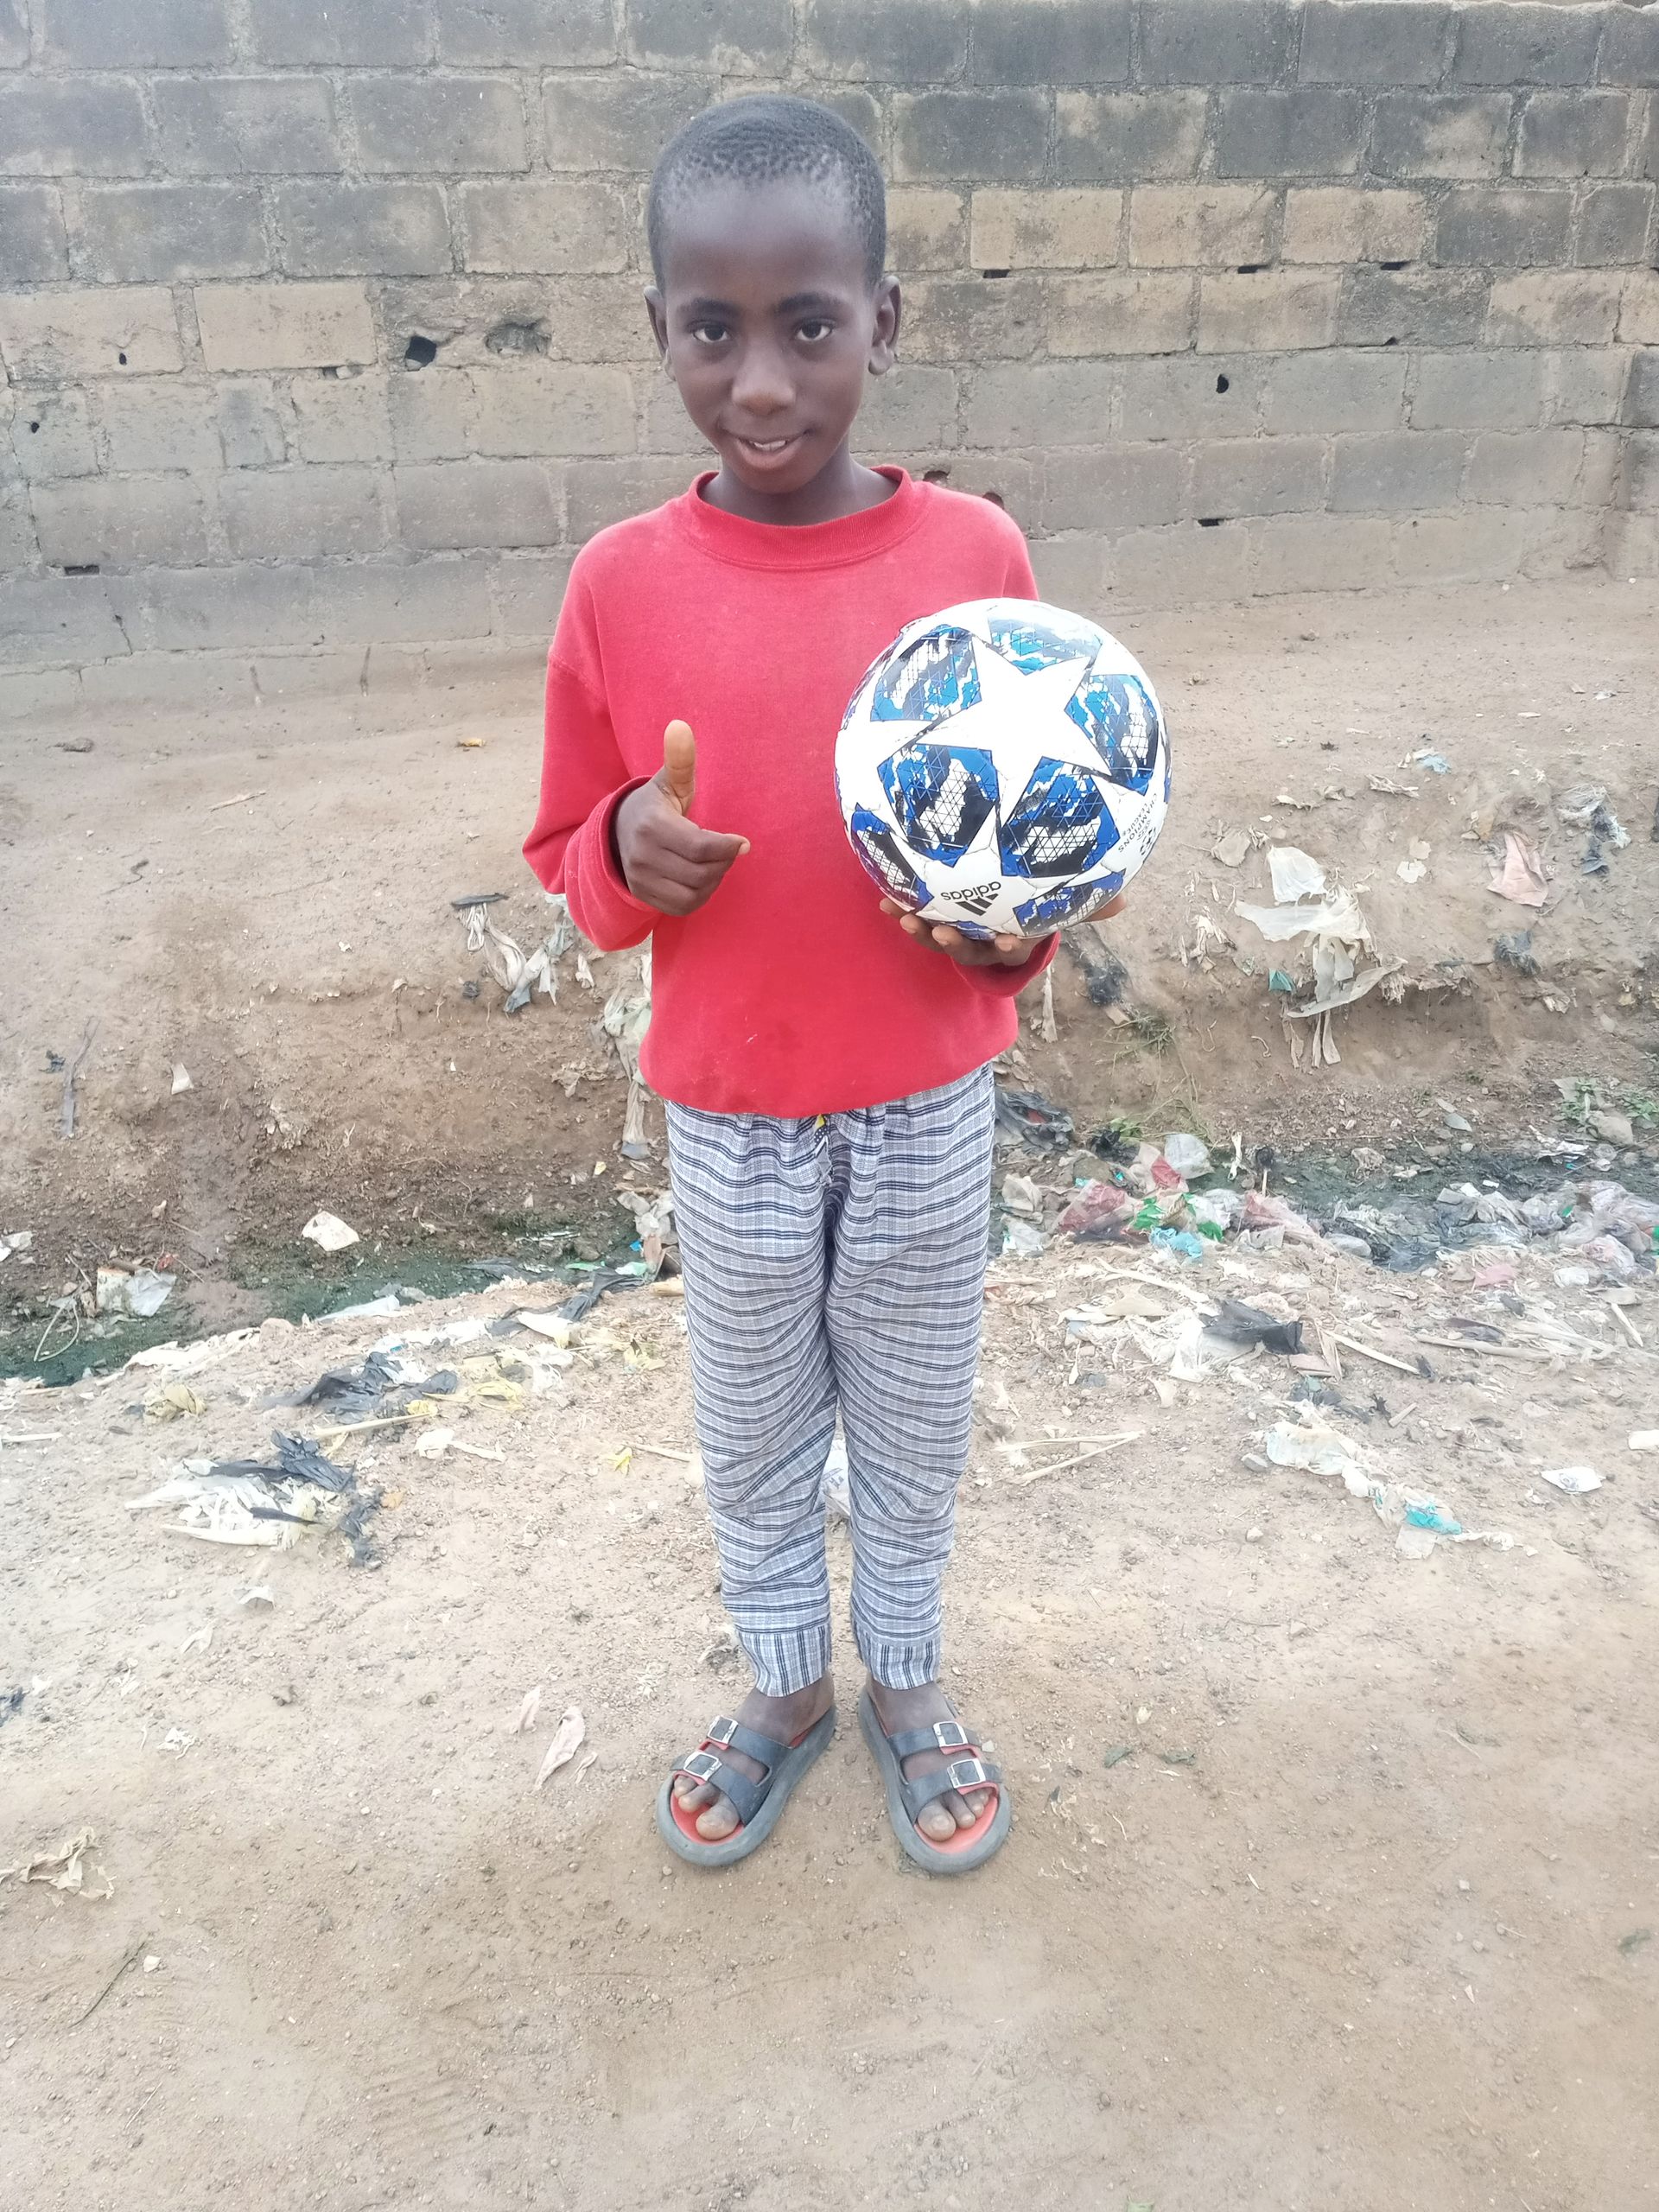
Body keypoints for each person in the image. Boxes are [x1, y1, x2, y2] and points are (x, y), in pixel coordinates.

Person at [525, 93, 1114, 1873]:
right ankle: (786, 1682)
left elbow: (1038, 848)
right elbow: (565, 854)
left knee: (916, 1415)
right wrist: (623, 843)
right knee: (757, 1425)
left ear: (886, 320)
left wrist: (1013, 936)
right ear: (658, 330)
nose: (764, 382)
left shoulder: (975, 565)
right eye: (713, 330)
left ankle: (907, 1677)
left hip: (929, 1092)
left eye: (810, 324)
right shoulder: (619, 584)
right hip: (729, 1112)